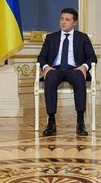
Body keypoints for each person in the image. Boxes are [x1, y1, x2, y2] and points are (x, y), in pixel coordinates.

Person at [37, 8, 97, 136]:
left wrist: (84, 67)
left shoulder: (82, 37)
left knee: (80, 78)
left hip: (74, 69)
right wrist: (46, 67)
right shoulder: (51, 37)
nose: (63, 22)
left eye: (67, 20)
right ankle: (51, 122)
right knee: (50, 78)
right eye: (62, 19)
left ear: (74, 23)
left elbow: (92, 57)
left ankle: (80, 122)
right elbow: (41, 57)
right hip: (55, 69)